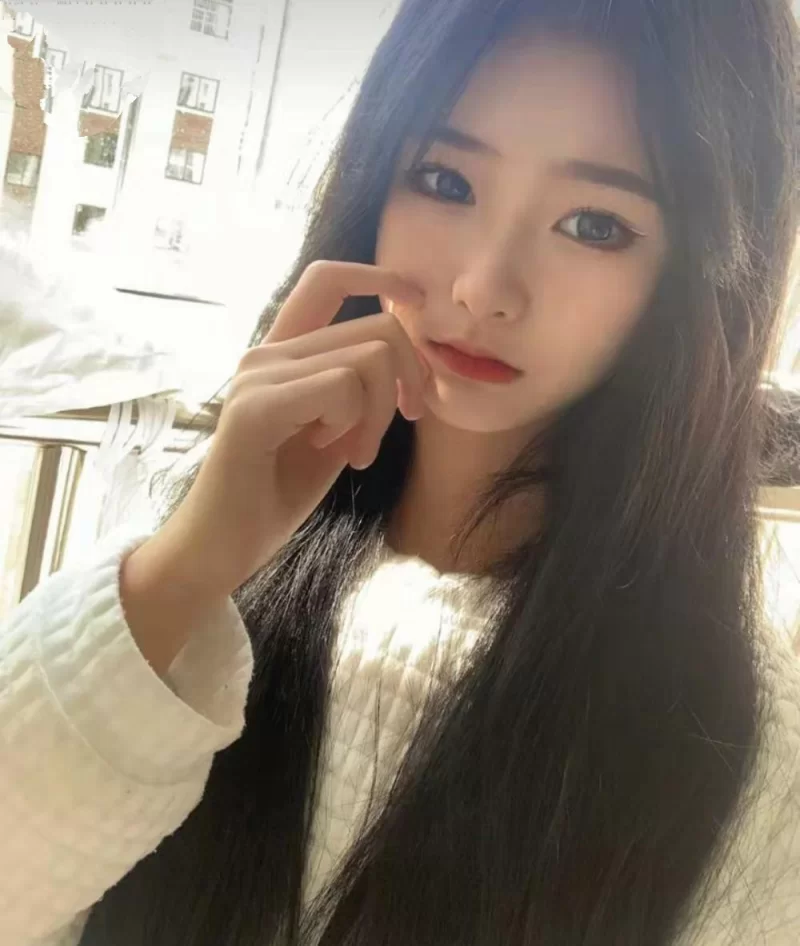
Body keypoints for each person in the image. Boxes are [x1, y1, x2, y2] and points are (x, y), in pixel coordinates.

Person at [1, 0, 798, 943]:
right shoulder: (202, 584)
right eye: (444, 179)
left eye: (594, 223)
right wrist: (189, 562)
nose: (482, 287)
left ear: (699, 274)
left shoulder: (742, 737)